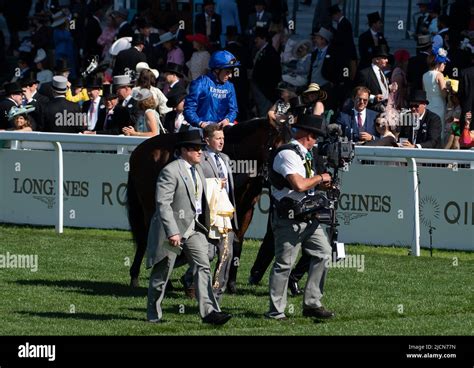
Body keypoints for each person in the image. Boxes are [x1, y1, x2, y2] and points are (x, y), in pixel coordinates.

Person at [146, 129, 232, 325]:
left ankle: (209, 312)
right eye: (196, 148)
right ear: (184, 150)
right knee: (162, 273)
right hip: (172, 231)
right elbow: (163, 204)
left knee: (203, 266)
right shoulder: (170, 171)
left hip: (194, 227)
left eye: (201, 148)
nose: (200, 152)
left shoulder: (198, 168)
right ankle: (153, 314)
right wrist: (172, 231)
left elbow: (198, 195)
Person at [265, 114, 335, 321]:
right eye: (315, 137)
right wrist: (321, 177)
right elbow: (299, 184)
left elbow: (307, 183)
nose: (316, 142)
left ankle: (312, 303)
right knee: (284, 264)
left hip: (307, 216)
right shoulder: (288, 154)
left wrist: (322, 184)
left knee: (323, 253)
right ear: (308, 135)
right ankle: (275, 311)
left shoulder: (304, 154)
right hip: (289, 218)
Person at [183, 50, 239, 129]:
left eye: (231, 72)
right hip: (200, 128)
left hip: (221, 129)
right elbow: (188, 110)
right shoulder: (200, 83)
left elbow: (233, 110)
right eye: (227, 72)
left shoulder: (230, 86)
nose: (230, 76)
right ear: (216, 70)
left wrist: (227, 120)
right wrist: (201, 124)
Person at [422, 47, 449, 139]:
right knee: (439, 128)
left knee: (430, 127)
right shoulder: (439, 75)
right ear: (438, 64)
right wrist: (448, 89)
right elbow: (444, 93)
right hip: (439, 104)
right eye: (444, 63)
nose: (445, 65)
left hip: (429, 104)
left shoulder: (424, 75)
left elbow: (424, 91)